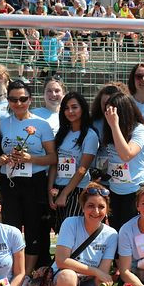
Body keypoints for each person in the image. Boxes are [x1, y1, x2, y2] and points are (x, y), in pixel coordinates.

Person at [48, 182, 119, 286]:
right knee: (69, 277)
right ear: (82, 206)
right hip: (64, 277)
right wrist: (96, 272)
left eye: (101, 206)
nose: (96, 211)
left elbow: (103, 271)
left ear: (107, 209)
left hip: (88, 280)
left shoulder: (111, 234)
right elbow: (61, 260)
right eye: (90, 206)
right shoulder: (70, 223)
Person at [0, 80, 55, 272]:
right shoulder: (3, 123)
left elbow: (53, 157)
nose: (18, 103)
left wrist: (31, 158)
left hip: (34, 183)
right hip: (9, 181)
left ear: (30, 99)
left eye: (22, 99)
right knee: (11, 229)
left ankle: (28, 275)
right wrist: (2, 159)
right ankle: (14, 271)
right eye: (13, 99)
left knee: (34, 229)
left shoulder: (42, 124)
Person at [49, 92, 99, 228]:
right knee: (61, 232)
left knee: (73, 232)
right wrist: (50, 191)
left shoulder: (90, 135)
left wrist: (65, 194)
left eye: (74, 107)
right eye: (66, 108)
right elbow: (54, 163)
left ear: (82, 108)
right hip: (58, 188)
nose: (70, 111)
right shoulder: (62, 133)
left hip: (77, 190)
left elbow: (83, 169)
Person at [101, 92, 144, 229]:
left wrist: (114, 125)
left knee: (131, 234)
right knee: (116, 231)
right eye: (107, 111)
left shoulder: (139, 130)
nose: (109, 115)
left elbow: (126, 155)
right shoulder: (109, 129)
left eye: (113, 111)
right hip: (115, 190)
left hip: (134, 191)